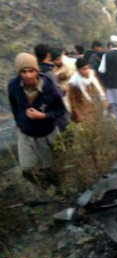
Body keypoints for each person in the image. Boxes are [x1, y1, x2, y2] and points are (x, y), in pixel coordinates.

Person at [8, 53, 67, 185]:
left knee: (52, 169)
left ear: (37, 70)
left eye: (31, 71)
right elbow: (14, 105)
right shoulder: (14, 86)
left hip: (46, 133)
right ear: (19, 73)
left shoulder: (49, 87)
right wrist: (19, 122)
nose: (28, 75)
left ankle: (58, 191)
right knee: (27, 170)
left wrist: (43, 116)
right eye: (23, 72)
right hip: (26, 133)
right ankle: (46, 189)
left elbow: (61, 110)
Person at [68, 59, 107, 123]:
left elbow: (99, 85)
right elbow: (72, 100)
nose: (87, 71)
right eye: (83, 69)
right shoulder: (74, 82)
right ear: (78, 70)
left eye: (88, 67)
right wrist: (78, 114)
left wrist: (105, 99)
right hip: (85, 108)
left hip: (97, 103)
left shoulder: (93, 73)